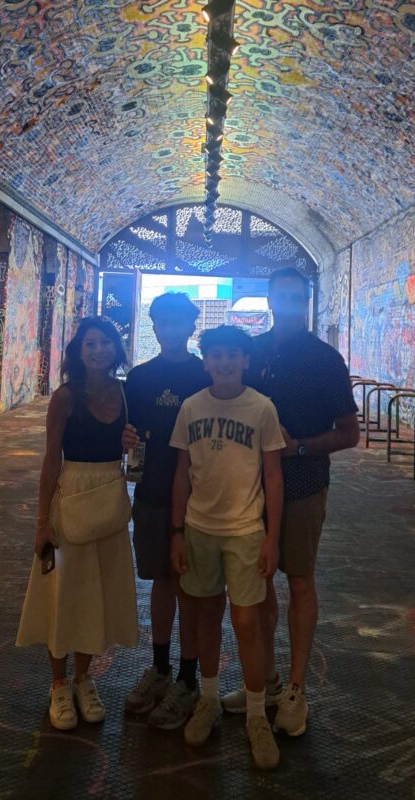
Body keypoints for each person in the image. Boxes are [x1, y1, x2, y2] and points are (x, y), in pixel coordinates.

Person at [221, 267, 360, 737]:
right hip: (250, 488)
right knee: (256, 585)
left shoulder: (325, 360)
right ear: (269, 301)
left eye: (297, 296)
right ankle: (265, 682)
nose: (289, 303)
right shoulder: (253, 352)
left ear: (306, 301)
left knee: (299, 581)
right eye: (281, 295)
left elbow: (349, 433)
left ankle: (297, 688)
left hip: (303, 486)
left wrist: (297, 447)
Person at [170, 325, 285, 771]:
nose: (224, 362)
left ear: (246, 360)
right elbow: (182, 474)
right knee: (206, 617)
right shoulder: (190, 407)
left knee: (247, 621)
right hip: (199, 528)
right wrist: (177, 532)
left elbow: (273, 476)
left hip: (245, 530)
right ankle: (210, 699)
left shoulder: (262, 408)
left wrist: (272, 536)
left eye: (232, 354)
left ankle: (256, 715)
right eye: (216, 355)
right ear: (206, 362)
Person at [16, 317, 138, 731]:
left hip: (109, 498)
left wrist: (131, 444)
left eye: (105, 342)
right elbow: (51, 459)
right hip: (70, 496)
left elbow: (135, 451)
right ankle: (58, 684)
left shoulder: (124, 393)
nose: (98, 350)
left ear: (116, 348)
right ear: (79, 352)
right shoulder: (65, 398)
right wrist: (41, 522)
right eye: (90, 344)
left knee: (95, 593)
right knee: (63, 592)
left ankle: (84, 680)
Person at [122, 292, 218, 730]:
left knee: (190, 588)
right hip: (153, 492)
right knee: (162, 581)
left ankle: (187, 678)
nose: (171, 329)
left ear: (191, 327)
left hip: (200, 498)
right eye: (164, 322)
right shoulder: (140, 378)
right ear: (155, 327)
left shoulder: (206, 374)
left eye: (179, 322)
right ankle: (160, 668)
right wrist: (126, 444)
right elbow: (128, 432)